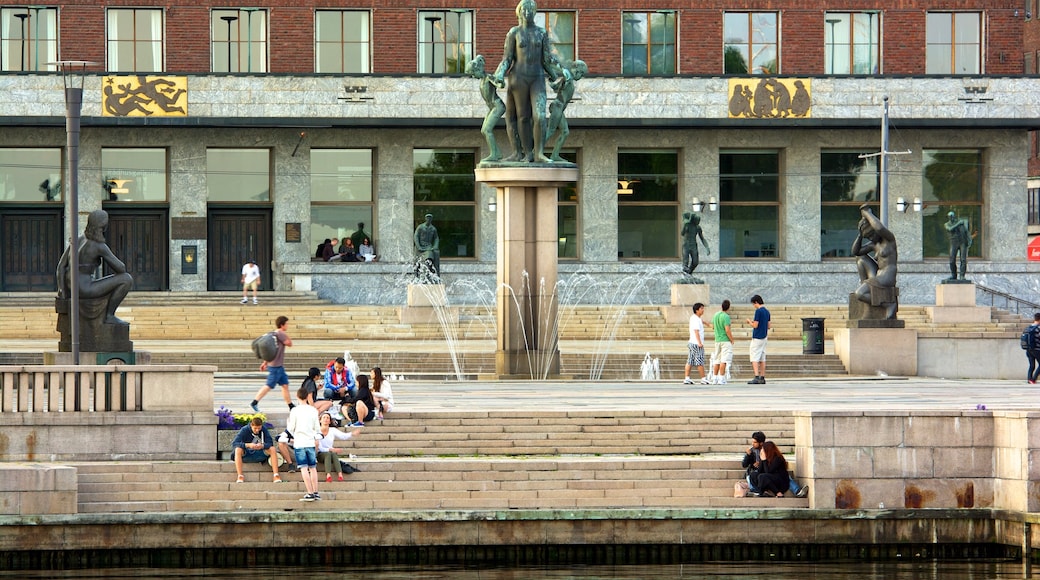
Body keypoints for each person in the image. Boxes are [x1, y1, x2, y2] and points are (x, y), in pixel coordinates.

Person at [493, 0, 565, 163]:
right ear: (519, 12)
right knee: (523, 117)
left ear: (535, 12)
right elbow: (507, 58)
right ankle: (527, 153)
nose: (527, 12)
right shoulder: (514, 33)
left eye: (531, 9)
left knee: (539, 116)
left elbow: (547, 58)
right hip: (518, 78)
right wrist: (499, 74)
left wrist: (559, 72)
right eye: (524, 9)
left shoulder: (541, 33)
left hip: (537, 78)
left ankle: (539, 152)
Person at [55, 209, 133, 325]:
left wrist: (62, 290)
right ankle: (109, 315)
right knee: (126, 279)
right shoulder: (99, 246)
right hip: (85, 288)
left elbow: (61, 266)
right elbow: (121, 269)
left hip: (72, 287)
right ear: (103, 226)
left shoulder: (77, 240)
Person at [852, 204, 898, 319]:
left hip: (887, 277)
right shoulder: (874, 244)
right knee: (860, 258)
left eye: (872, 234)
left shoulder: (889, 240)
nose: (871, 238)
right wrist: (860, 235)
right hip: (878, 275)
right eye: (868, 237)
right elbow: (855, 251)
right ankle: (866, 287)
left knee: (860, 293)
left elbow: (880, 228)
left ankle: (888, 304)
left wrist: (867, 213)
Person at [742, 431, 807, 498]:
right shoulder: (751, 451)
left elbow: (768, 471)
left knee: (782, 476)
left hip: (777, 477)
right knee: (752, 475)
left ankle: (796, 491)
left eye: (755, 442)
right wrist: (748, 455)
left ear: (761, 444)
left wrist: (763, 460)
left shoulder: (777, 458)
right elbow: (745, 465)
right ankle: (757, 491)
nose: (752, 444)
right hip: (762, 473)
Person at [467, 54, 507, 163]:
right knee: (484, 130)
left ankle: (494, 154)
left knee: (487, 130)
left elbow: (500, 84)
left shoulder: (488, 77)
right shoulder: (482, 81)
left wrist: (500, 81)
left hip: (498, 106)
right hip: (491, 108)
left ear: (478, 69)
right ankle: (497, 152)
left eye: (473, 73)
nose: (473, 76)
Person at [545, 59, 587, 162]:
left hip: (559, 108)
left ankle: (554, 155)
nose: (581, 77)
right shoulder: (568, 78)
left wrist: (551, 81)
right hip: (557, 107)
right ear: (577, 71)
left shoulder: (566, 80)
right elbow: (566, 75)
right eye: (581, 74)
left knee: (565, 132)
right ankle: (534, 152)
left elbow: (555, 87)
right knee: (550, 131)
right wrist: (564, 71)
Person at [249, 316, 293, 413]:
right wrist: (286, 335)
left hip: (276, 365)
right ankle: (255, 402)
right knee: (269, 385)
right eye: (287, 324)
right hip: (276, 366)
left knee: (285, 385)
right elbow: (289, 343)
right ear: (282, 324)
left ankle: (290, 405)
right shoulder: (281, 333)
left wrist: (265, 362)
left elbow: (271, 351)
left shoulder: (273, 334)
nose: (288, 326)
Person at [287, 385, 322, 501]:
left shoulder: (295, 410)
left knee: (303, 468)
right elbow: (317, 428)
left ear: (297, 397)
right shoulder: (313, 410)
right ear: (307, 396)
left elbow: (291, 427)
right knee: (312, 468)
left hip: (300, 442)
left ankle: (309, 492)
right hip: (310, 442)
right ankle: (316, 491)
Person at [231, 416, 282, 483]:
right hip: (247, 454)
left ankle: (276, 475)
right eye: (255, 428)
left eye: (259, 428)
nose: (257, 430)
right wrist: (248, 445)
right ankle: (240, 476)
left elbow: (270, 443)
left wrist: (262, 446)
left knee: (272, 449)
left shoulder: (264, 429)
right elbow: (235, 443)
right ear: (251, 425)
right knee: (238, 449)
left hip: (260, 453)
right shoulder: (244, 430)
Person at [316, 412, 362, 482]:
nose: (326, 419)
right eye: (324, 418)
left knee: (333, 454)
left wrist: (352, 434)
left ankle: (340, 475)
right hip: (320, 454)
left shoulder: (332, 430)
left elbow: (343, 436)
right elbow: (320, 448)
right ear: (320, 420)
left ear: (330, 421)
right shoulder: (317, 431)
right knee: (329, 454)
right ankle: (328, 475)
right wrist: (331, 449)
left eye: (327, 418)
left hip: (331, 453)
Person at [745, 295, 771, 384]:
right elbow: (769, 326)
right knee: (762, 357)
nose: (754, 306)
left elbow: (755, 325)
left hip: (757, 337)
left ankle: (756, 376)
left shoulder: (758, 312)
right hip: (764, 337)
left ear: (756, 302)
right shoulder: (767, 312)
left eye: (753, 304)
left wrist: (749, 322)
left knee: (754, 357)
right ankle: (762, 377)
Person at [683, 303, 708, 385]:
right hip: (696, 344)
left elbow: (701, 321)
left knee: (690, 361)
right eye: (701, 309)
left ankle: (687, 378)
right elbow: (696, 331)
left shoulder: (694, 318)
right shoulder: (696, 319)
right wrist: (700, 343)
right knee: (699, 361)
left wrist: (706, 323)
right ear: (697, 310)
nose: (703, 310)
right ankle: (703, 379)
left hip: (691, 343)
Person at [944, 211, 974, 281]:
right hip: (954, 242)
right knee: (952, 260)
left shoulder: (961, 224)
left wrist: (969, 241)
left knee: (963, 259)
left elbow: (967, 232)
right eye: (950, 217)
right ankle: (954, 275)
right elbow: (950, 229)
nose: (952, 218)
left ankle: (962, 275)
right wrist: (959, 223)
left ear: (954, 216)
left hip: (962, 242)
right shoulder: (947, 224)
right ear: (948, 217)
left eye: (953, 216)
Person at [711, 299, 734, 384]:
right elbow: (727, 330)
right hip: (725, 341)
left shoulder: (716, 315)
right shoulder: (726, 317)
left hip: (717, 340)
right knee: (724, 360)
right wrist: (732, 339)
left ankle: (714, 378)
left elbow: (713, 326)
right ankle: (721, 378)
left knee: (717, 359)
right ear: (728, 307)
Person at [1027, 312, 1040, 385]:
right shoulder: (1038, 328)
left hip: (1028, 349)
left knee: (1032, 365)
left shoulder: (1029, 327)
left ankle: (1029, 379)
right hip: (1037, 349)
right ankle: (1033, 379)